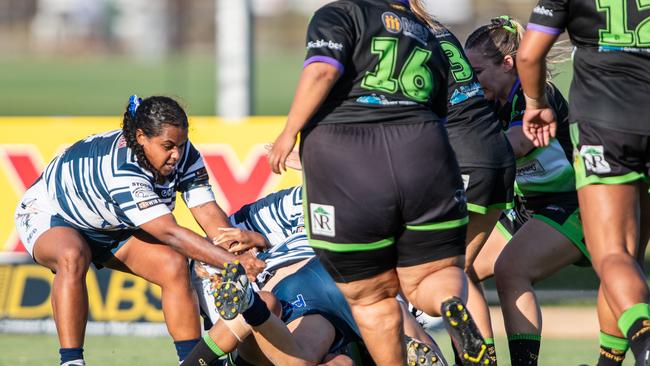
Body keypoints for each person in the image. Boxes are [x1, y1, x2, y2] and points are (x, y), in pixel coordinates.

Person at [267, 0, 491, 364]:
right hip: (425, 155)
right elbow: (439, 108)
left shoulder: (340, 14)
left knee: (372, 298)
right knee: (436, 275)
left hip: (349, 161)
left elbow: (323, 70)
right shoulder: (425, 33)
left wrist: (289, 132)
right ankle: (448, 303)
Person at [13, 95, 265, 366]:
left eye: (180, 145)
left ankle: (193, 361)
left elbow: (207, 212)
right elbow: (170, 233)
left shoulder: (184, 155)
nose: (176, 155)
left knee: (173, 264)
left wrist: (236, 248)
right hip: (52, 214)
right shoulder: (124, 168)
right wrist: (234, 263)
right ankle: (72, 361)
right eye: (168, 146)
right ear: (141, 137)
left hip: (111, 224)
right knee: (73, 255)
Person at [516, 0, 650, 364]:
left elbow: (528, 55)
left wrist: (536, 102)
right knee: (631, 260)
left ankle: (645, 344)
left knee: (613, 255)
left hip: (606, 124)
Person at [183, 185, 447, 366]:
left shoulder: (306, 202)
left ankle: (252, 308)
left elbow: (219, 242)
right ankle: (251, 307)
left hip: (292, 282)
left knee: (305, 355)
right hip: (346, 268)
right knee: (401, 341)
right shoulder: (353, 201)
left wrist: (256, 242)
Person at [427, 17, 517, 366]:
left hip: (463, 158)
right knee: (459, 271)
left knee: (429, 277)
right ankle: (483, 361)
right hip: (496, 156)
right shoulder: (439, 29)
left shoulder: (396, 36)